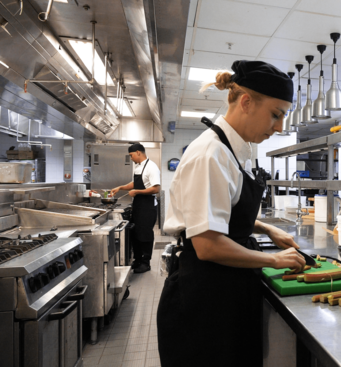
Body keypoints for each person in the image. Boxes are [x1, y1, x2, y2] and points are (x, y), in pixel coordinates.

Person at [157, 60, 306, 367]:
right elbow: (209, 245)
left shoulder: (234, 150)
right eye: (276, 115)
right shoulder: (210, 154)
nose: (279, 127)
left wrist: (265, 228)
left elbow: (222, 212)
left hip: (227, 289)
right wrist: (274, 259)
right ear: (246, 102)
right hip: (204, 297)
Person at [110, 143, 161, 273]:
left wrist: (137, 191)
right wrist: (120, 187)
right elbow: (135, 183)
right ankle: (137, 260)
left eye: (131, 155)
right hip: (138, 206)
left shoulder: (152, 167)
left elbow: (156, 188)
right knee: (136, 234)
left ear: (138, 152)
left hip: (148, 207)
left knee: (145, 235)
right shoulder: (138, 167)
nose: (131, 158)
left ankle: (146, 262)